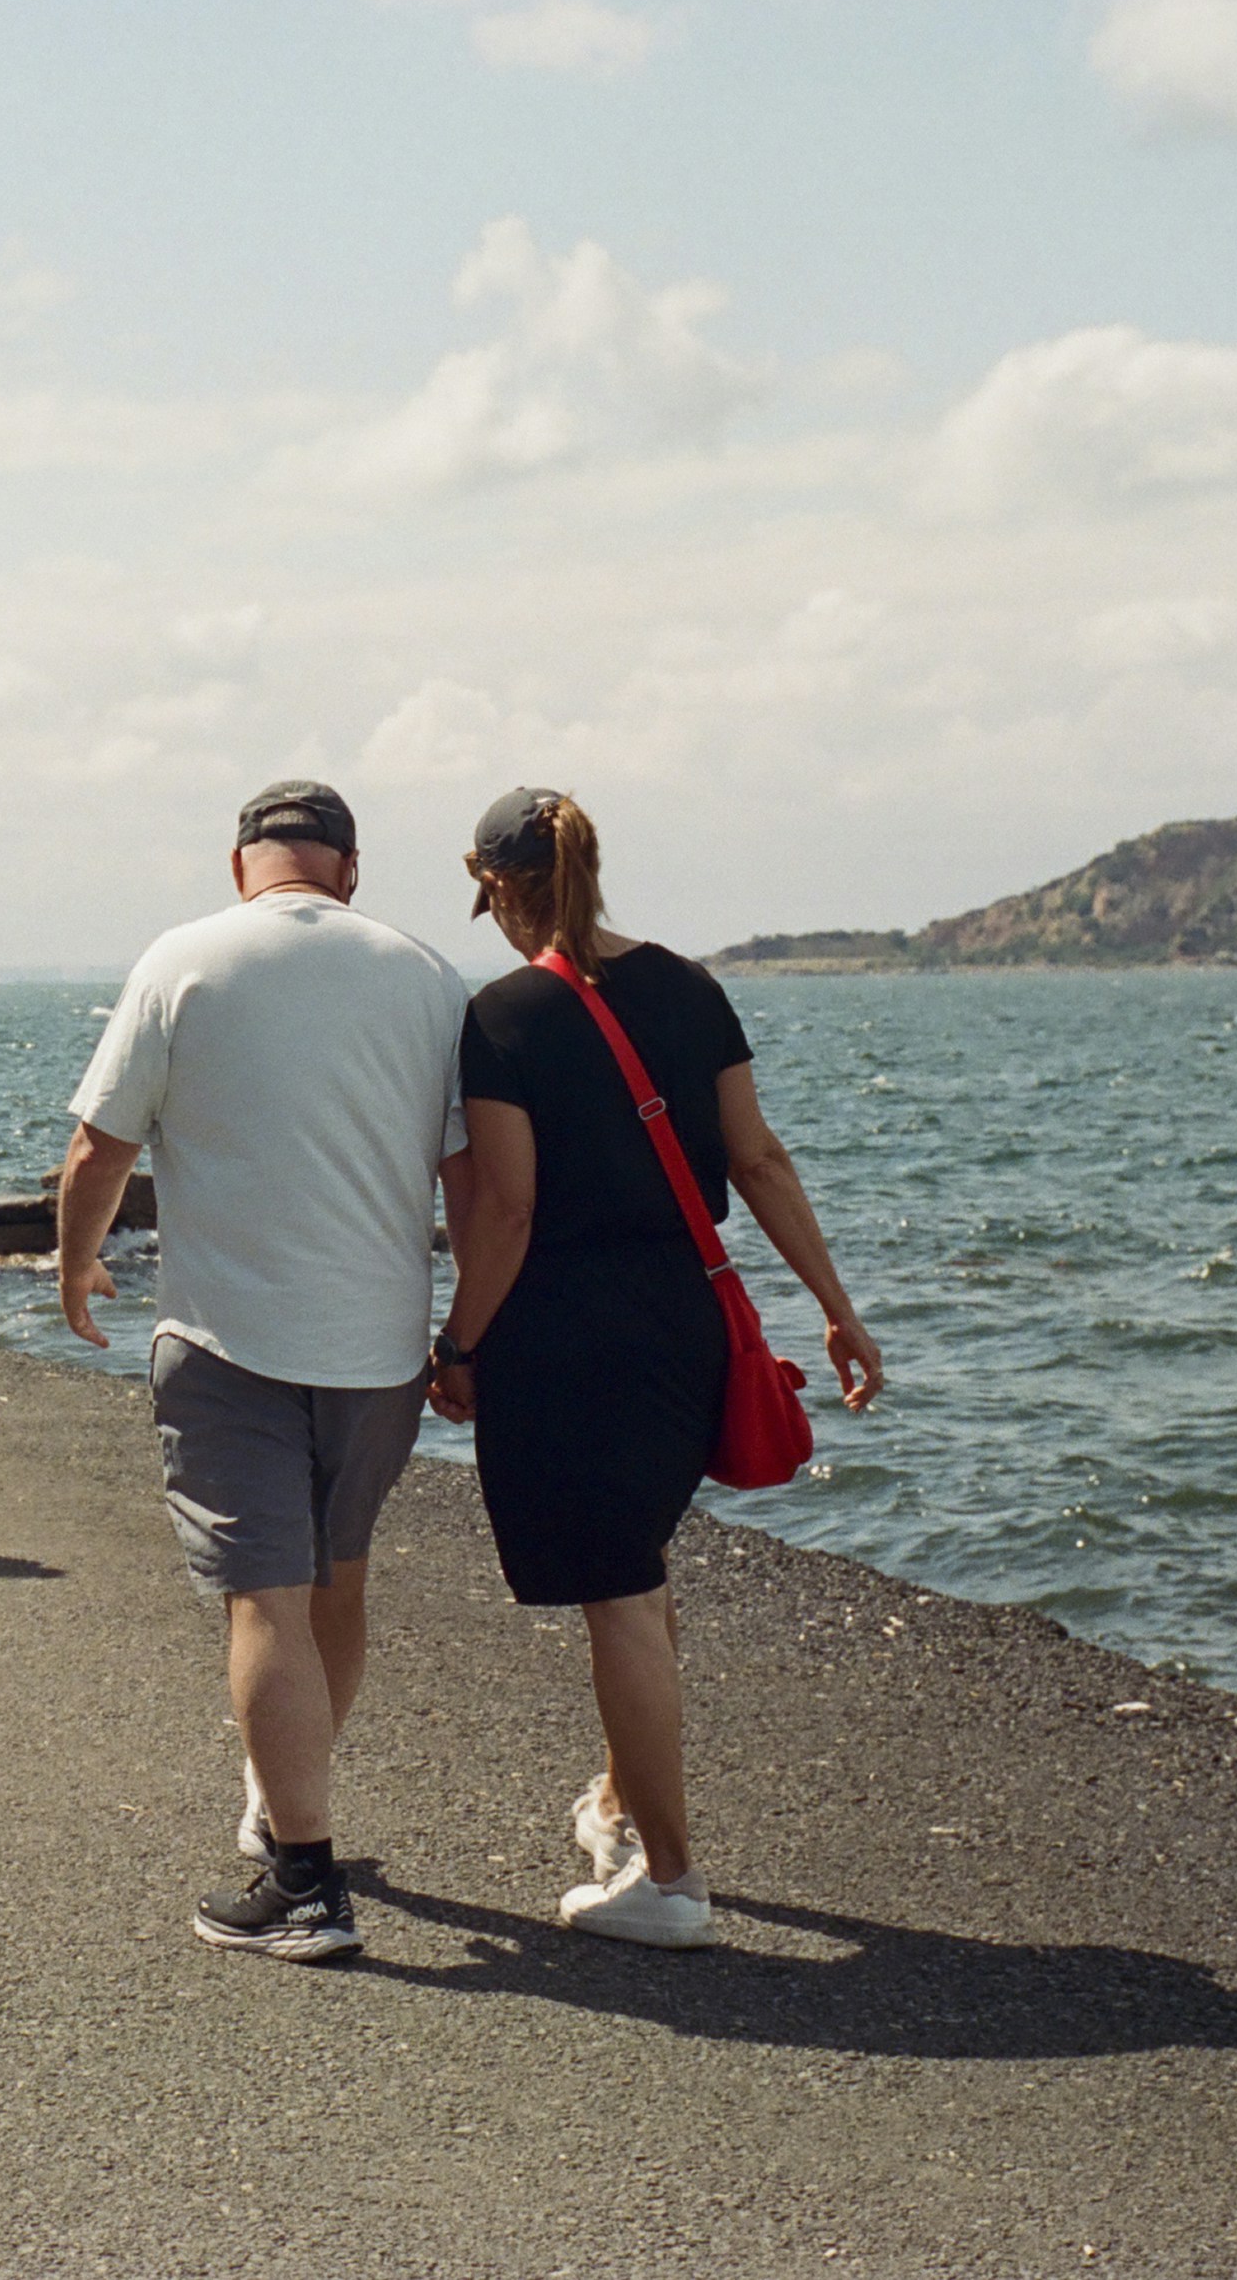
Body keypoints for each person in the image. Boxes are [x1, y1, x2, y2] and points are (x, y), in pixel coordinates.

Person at [429, 788, 882, 1947]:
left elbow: (511, 1207)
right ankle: (627, 1806)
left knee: (619, 1592)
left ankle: (673, 1881)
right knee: (638, 1571)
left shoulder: (504, 1015)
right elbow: (758, 1157)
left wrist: (458, 1342)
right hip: (686, 1327)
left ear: (492, 884)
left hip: (567, 1342)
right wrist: (836, 1311)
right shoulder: (690, 985)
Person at [57, 781, 469, 1962]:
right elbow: (470, 1175)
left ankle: (302, 1883)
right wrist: (471, 1330)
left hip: (230, 1339)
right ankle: (282, 1804)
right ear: (347, 869)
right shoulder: (426, 973)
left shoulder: (182, 961)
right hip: (378, 1348)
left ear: (240, 863)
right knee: (333, 1586)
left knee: (263, 1599)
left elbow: (99, 1143)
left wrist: (76, 1264)